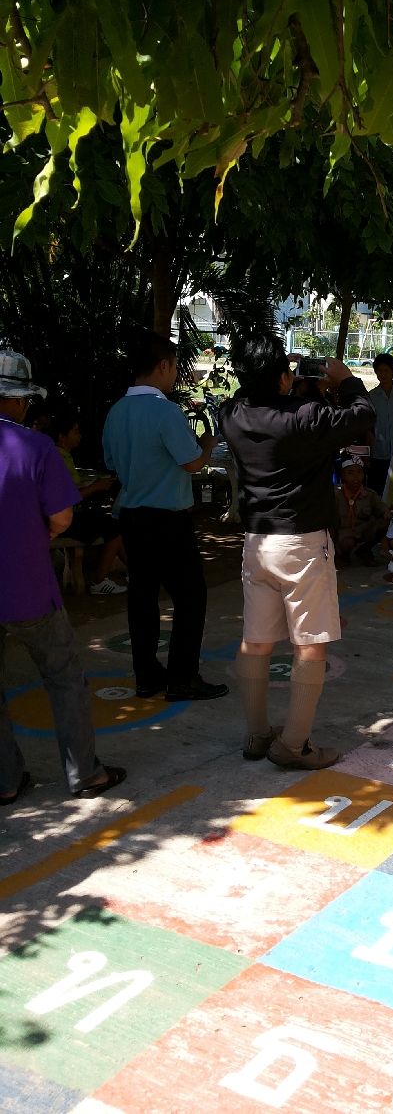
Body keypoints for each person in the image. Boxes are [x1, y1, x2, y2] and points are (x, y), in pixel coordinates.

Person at [218, 335, 376, 769]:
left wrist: (276, 379)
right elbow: (363, 414)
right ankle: (294, 743)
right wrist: (346, 381)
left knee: (255, 641)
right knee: (310, 644)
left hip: (257, 542)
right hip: (303, 543)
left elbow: (255, 399)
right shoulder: (304, 416)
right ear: (281, 377)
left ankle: (257, 734)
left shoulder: (230, 414)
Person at [0, 349, 125, 801]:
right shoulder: (35, 447)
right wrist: (42, 532)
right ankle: (84, 773)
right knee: (64, 677)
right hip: (28, 586)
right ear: (19, 401)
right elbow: (63, 518)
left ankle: (5, 780)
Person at [103, 331, 227, 702]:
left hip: (132, 515)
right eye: (174, 367)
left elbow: (112, 464)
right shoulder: (166, 412)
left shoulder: (116, 411)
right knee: (190, 596)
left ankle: (147, 675)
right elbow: (192, 463)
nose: (175, 375)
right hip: (168, 518)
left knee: (142, 596)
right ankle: (183, 676)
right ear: (162, 366)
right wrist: (208, 445)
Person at [46, 408, 129, 595]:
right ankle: (100, 580)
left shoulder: (63, 455)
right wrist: (95, 487)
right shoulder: (57, 458)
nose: (79, 436)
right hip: (63, 517)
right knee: (113, 528)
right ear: (62, 436)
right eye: (75, 431)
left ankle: (135, 572)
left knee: (112, 525)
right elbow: (64, 498)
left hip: (69, 513)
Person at [334, 449, 389, 566]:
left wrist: (387, 513)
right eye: (350, 473)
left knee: (387, 524)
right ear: (343, 475)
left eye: (359, 472)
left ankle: (364, 551)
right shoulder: (337, 496)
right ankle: (343, 556)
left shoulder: (369, 494)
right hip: (345, 532)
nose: (355, 477)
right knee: (346, 543)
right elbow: (330, 523)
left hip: (364, 529)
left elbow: (382, 508)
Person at [369, 353, 393, 497]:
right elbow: (367, 422)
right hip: (379, 451)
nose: (383, 374)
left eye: (386, 370)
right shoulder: (371, 396)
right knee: (378, 489)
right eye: (379, 370)